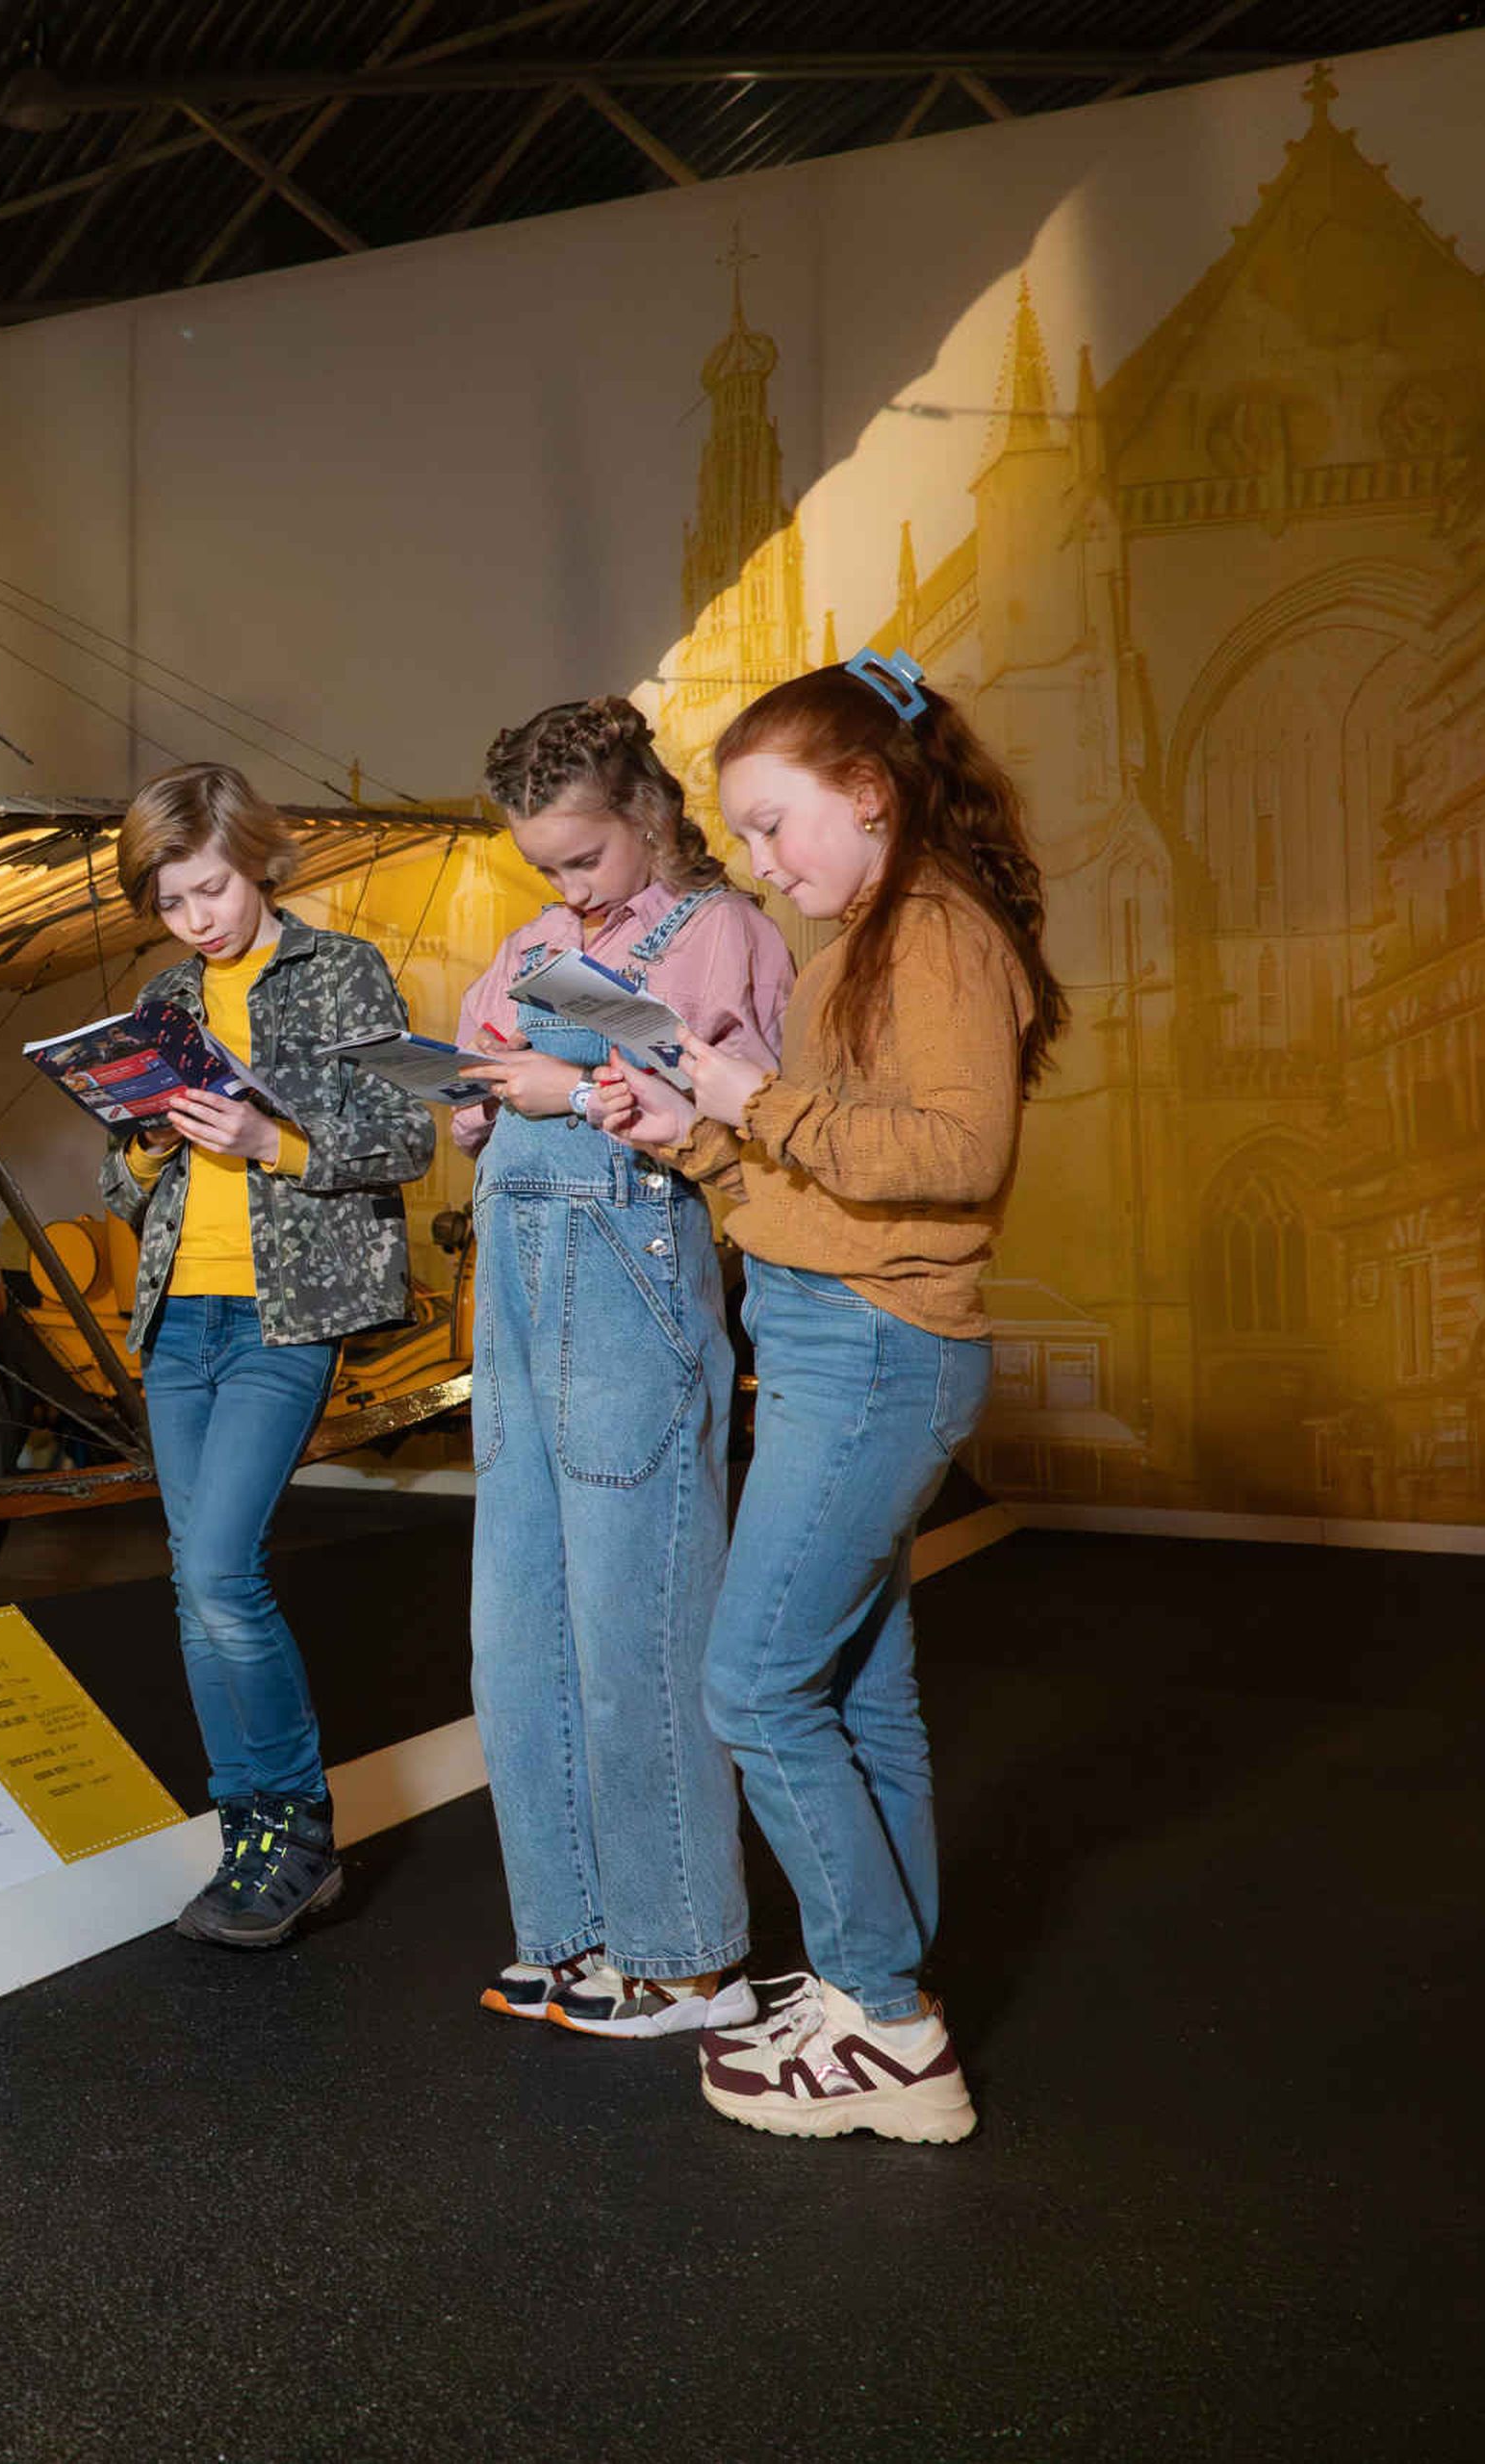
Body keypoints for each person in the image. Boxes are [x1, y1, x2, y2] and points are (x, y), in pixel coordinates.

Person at [588, 651, 1067, 2143]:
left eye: (776, 822)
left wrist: (746, 1102)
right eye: (741, 835)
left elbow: (951, 1156)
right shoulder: (871, 936)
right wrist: (690, 1128)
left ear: (871, 798)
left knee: (753, 1683)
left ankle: (891, 2030)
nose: (760, 860)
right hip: (829, 1329)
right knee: (856, 1683)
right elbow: (822, 1183)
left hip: (871, 1351)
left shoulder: (930, 929)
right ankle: (879, 1983)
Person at [450, 698, 794, 2040]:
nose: (565, 887)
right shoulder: (534, 943)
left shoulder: (726, 932)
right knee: (516, 1625)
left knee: (633, 1621)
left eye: (584, 856)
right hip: (521, 1288)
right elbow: (489, 1073)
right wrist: (478, 1090)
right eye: (545, 864)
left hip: (632, 1268)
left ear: (648, 813)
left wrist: (580, 1087)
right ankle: (570, 1924)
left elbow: (745, 1114)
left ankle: (684, 1951)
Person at [100, 762, 435, 1949]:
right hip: (174, 1319)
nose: (197, 920)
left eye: (210, 890)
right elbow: (118, 1177)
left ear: (255, 859)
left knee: (224, 1568)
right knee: (198, 1590)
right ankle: (250, 1831)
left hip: (284, 1314)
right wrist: (142, 1151)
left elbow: (407, 1133)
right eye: (173, 903)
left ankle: (295, 1827)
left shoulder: (339, 970)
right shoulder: (165, 997)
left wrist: (269, 1138)